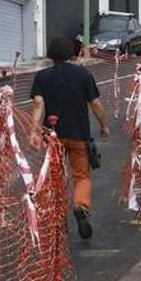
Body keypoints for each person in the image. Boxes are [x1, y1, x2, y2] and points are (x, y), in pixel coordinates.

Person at [29, 37, 110, 239]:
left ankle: (57, 216)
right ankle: (81, 206)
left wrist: (33, 131)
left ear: (50, 54)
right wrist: (104, 125)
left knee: (55, 175)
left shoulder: (42, 77)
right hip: (78, 135)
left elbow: (38, 104)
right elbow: (96, 103)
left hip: (52, 135)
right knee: (81, 175)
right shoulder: (83, 74)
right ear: (71, 53)